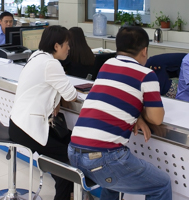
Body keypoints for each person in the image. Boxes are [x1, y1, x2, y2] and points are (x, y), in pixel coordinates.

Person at [68, 26, 170, 200]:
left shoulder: (107, 65)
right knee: (161, 185)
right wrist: (139, 113)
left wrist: (136, 114)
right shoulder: (146, 75)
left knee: (113, 182)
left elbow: (114, 98)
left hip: (74, 152)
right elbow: (156, 118)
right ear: (144, 51)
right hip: (103, 158)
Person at [9, 25, 78, 200]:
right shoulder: (51, 63)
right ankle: (66, 196)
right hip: (28, 129)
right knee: (67, 159)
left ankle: (70, 194)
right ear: (56, 46)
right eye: (67, 44)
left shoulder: (36, 56)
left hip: (18, 124)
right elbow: (71, 95)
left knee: (67, 141)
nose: (69, 48)